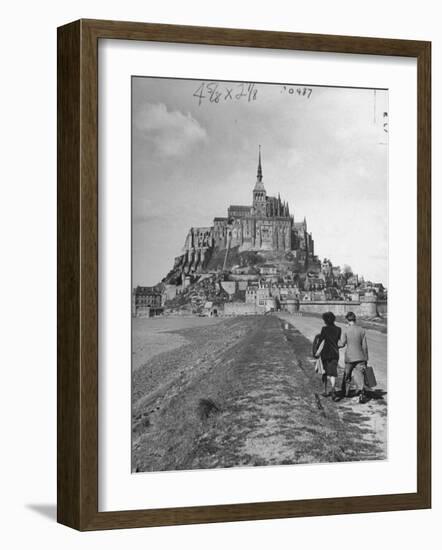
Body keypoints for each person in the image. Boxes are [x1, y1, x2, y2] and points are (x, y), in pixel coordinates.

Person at [339, 311, 369, 403]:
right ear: (355, 319)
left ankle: (346, 392)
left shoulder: (346, 330)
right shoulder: (362, 330)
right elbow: (364, 346)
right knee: (360, 376)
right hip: (360, 357)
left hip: (349, 357)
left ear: (347, 320)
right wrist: (366, 358)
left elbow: (342, 344)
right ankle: (361, 393)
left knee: (347, 375)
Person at [318, 311, 341, 401]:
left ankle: (325, 390)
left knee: (324, 372)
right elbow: (338, 341)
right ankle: (333, 389)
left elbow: (320, 341)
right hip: (335, 353)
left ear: (325, 320)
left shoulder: (324, 329)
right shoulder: (338, 329)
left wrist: (316, 351)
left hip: (325, 353)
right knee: (333, 373)